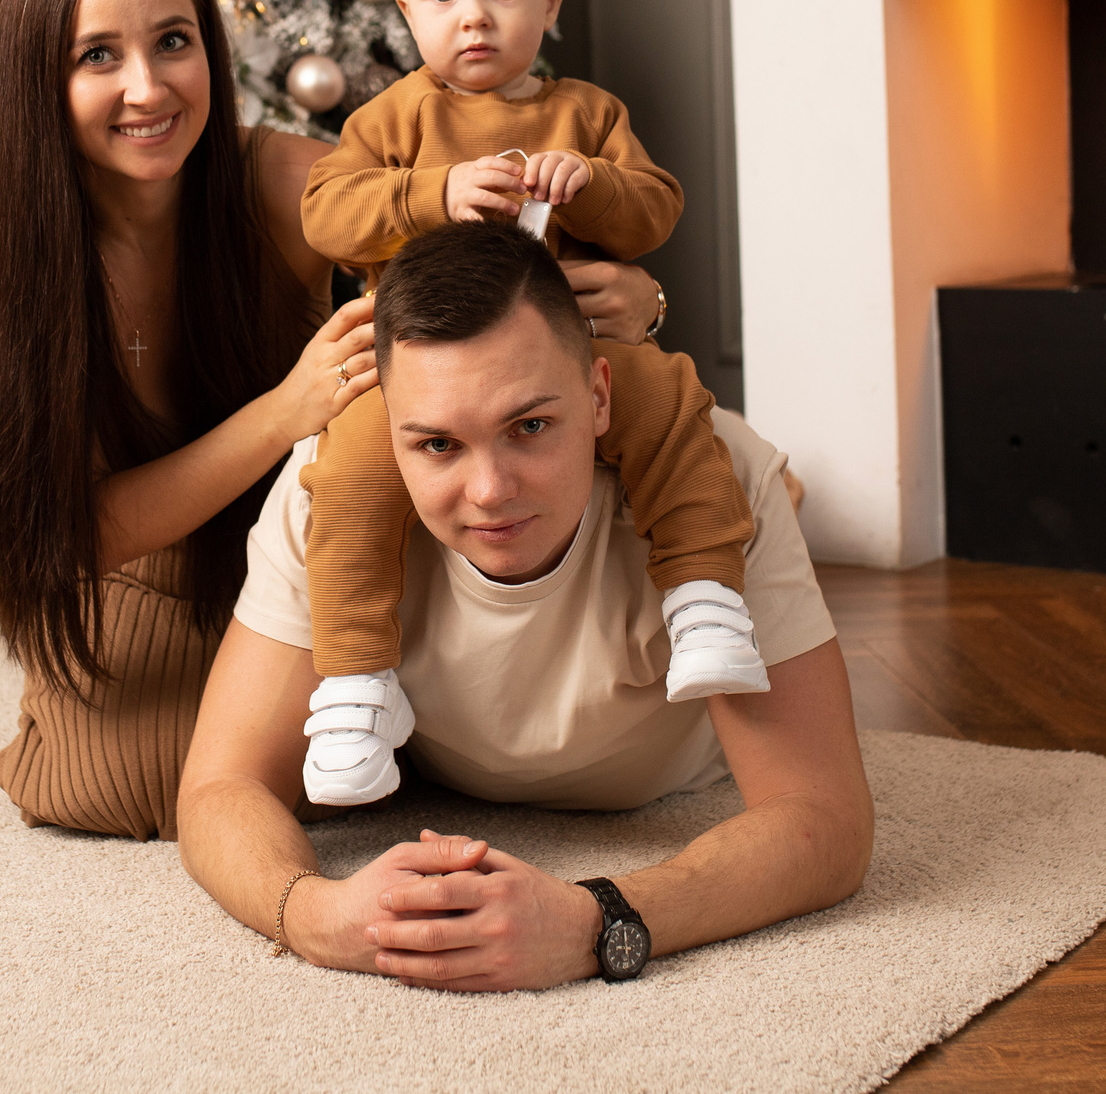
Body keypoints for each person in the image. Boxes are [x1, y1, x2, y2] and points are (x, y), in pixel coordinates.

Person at [0, 0, 669, 840]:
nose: (146, 87)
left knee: (500, 716)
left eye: (173, 42)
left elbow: (496, 282)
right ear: (41, 77)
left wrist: (635, 299)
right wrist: (288, 410)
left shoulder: (288, 179)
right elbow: (70, 535)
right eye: (96, 57)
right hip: (135, 584)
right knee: (131, 786)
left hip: (313, 559)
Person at [178, 221, 872, 989]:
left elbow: (827, 821)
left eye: (529, 426)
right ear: (389, 432)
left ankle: (792, 509)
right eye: (438, 444)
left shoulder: (720, 477)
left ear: (600, 395)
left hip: (673, 775)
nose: (490, 491)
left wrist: (595, 919)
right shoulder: (333, 487)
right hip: (448, 773)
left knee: (762, 506)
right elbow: (219, 786)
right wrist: (317, 915)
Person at [290, 0, 766, 807]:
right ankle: (353, 685)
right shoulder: (394, 119)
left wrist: (592, 181)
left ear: (549, 2)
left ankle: (706, 599)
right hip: (421, 377)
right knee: (347, 466)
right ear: (406, 11)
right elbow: (324, 214)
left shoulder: (586, 114)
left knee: (670, 402)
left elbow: (657, 210)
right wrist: (435, 194)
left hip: (570, 356)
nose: (474, 16)